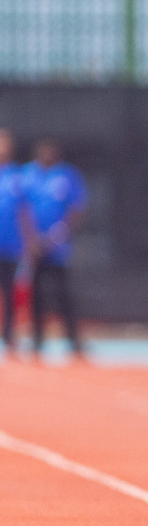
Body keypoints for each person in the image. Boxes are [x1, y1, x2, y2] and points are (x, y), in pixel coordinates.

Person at [23, 139, 87, 359]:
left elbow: (77, 208)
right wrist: (31, 240)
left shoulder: (67, 175)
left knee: (63, 295)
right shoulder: (27, 175)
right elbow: (21, 209)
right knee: (36, 296)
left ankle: (73, 339)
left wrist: (58, 234)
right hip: (34, 248)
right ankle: (37, 340)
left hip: (58, 248)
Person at [0, 130, 29, 356]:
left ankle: (9, 334)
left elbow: (24, 212)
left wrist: (29, 240)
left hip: (9, 245)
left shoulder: (18, 177)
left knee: (10, 292)